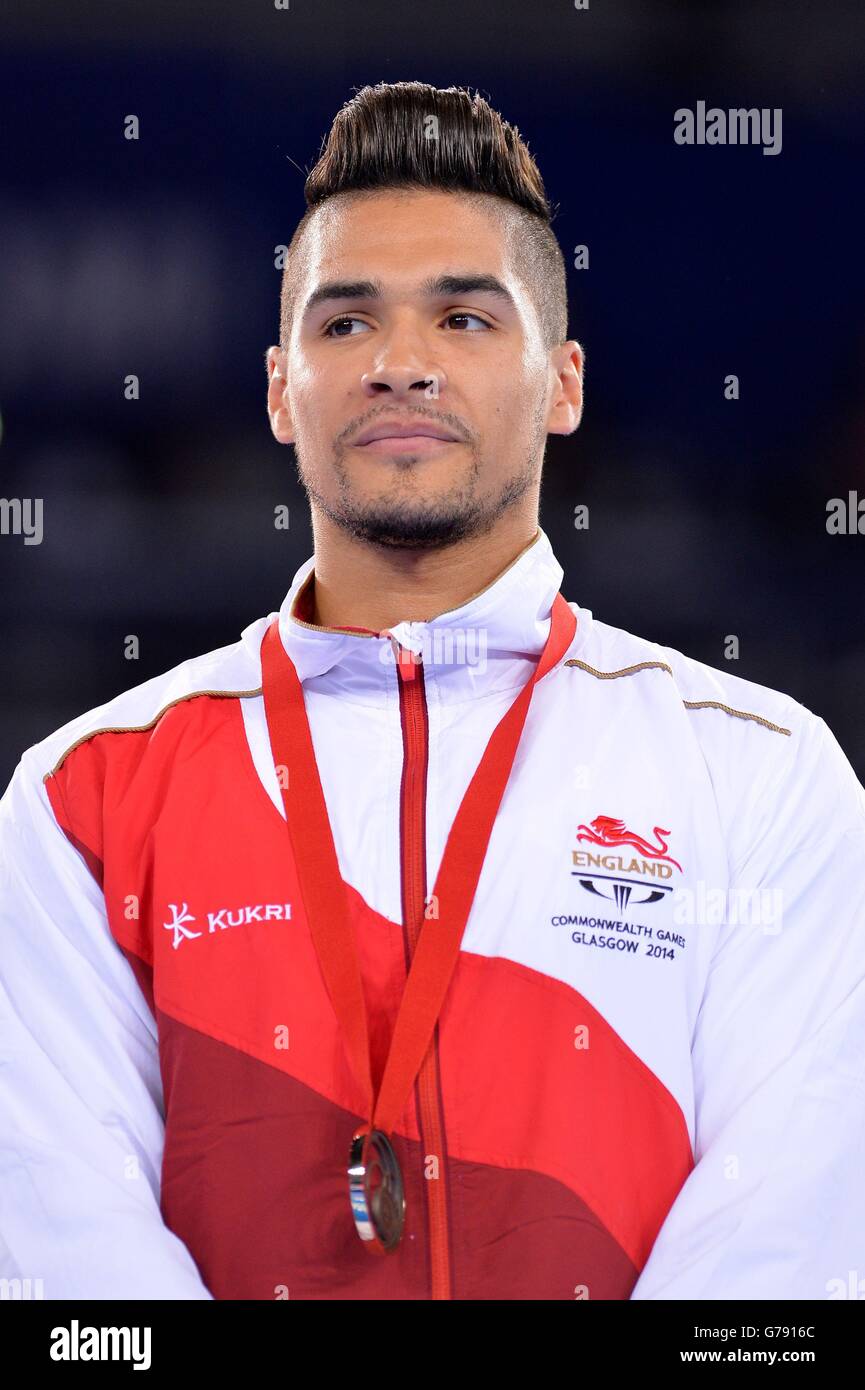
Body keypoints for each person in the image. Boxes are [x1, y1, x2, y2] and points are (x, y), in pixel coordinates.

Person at [2, 80, 864, 1302]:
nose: (401, 363)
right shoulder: (83, 802)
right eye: (345, 325)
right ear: (276, 390)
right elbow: (69, 1270)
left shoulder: (761, 775)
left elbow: (783, 1257)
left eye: (464, 319)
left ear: (563, 384)